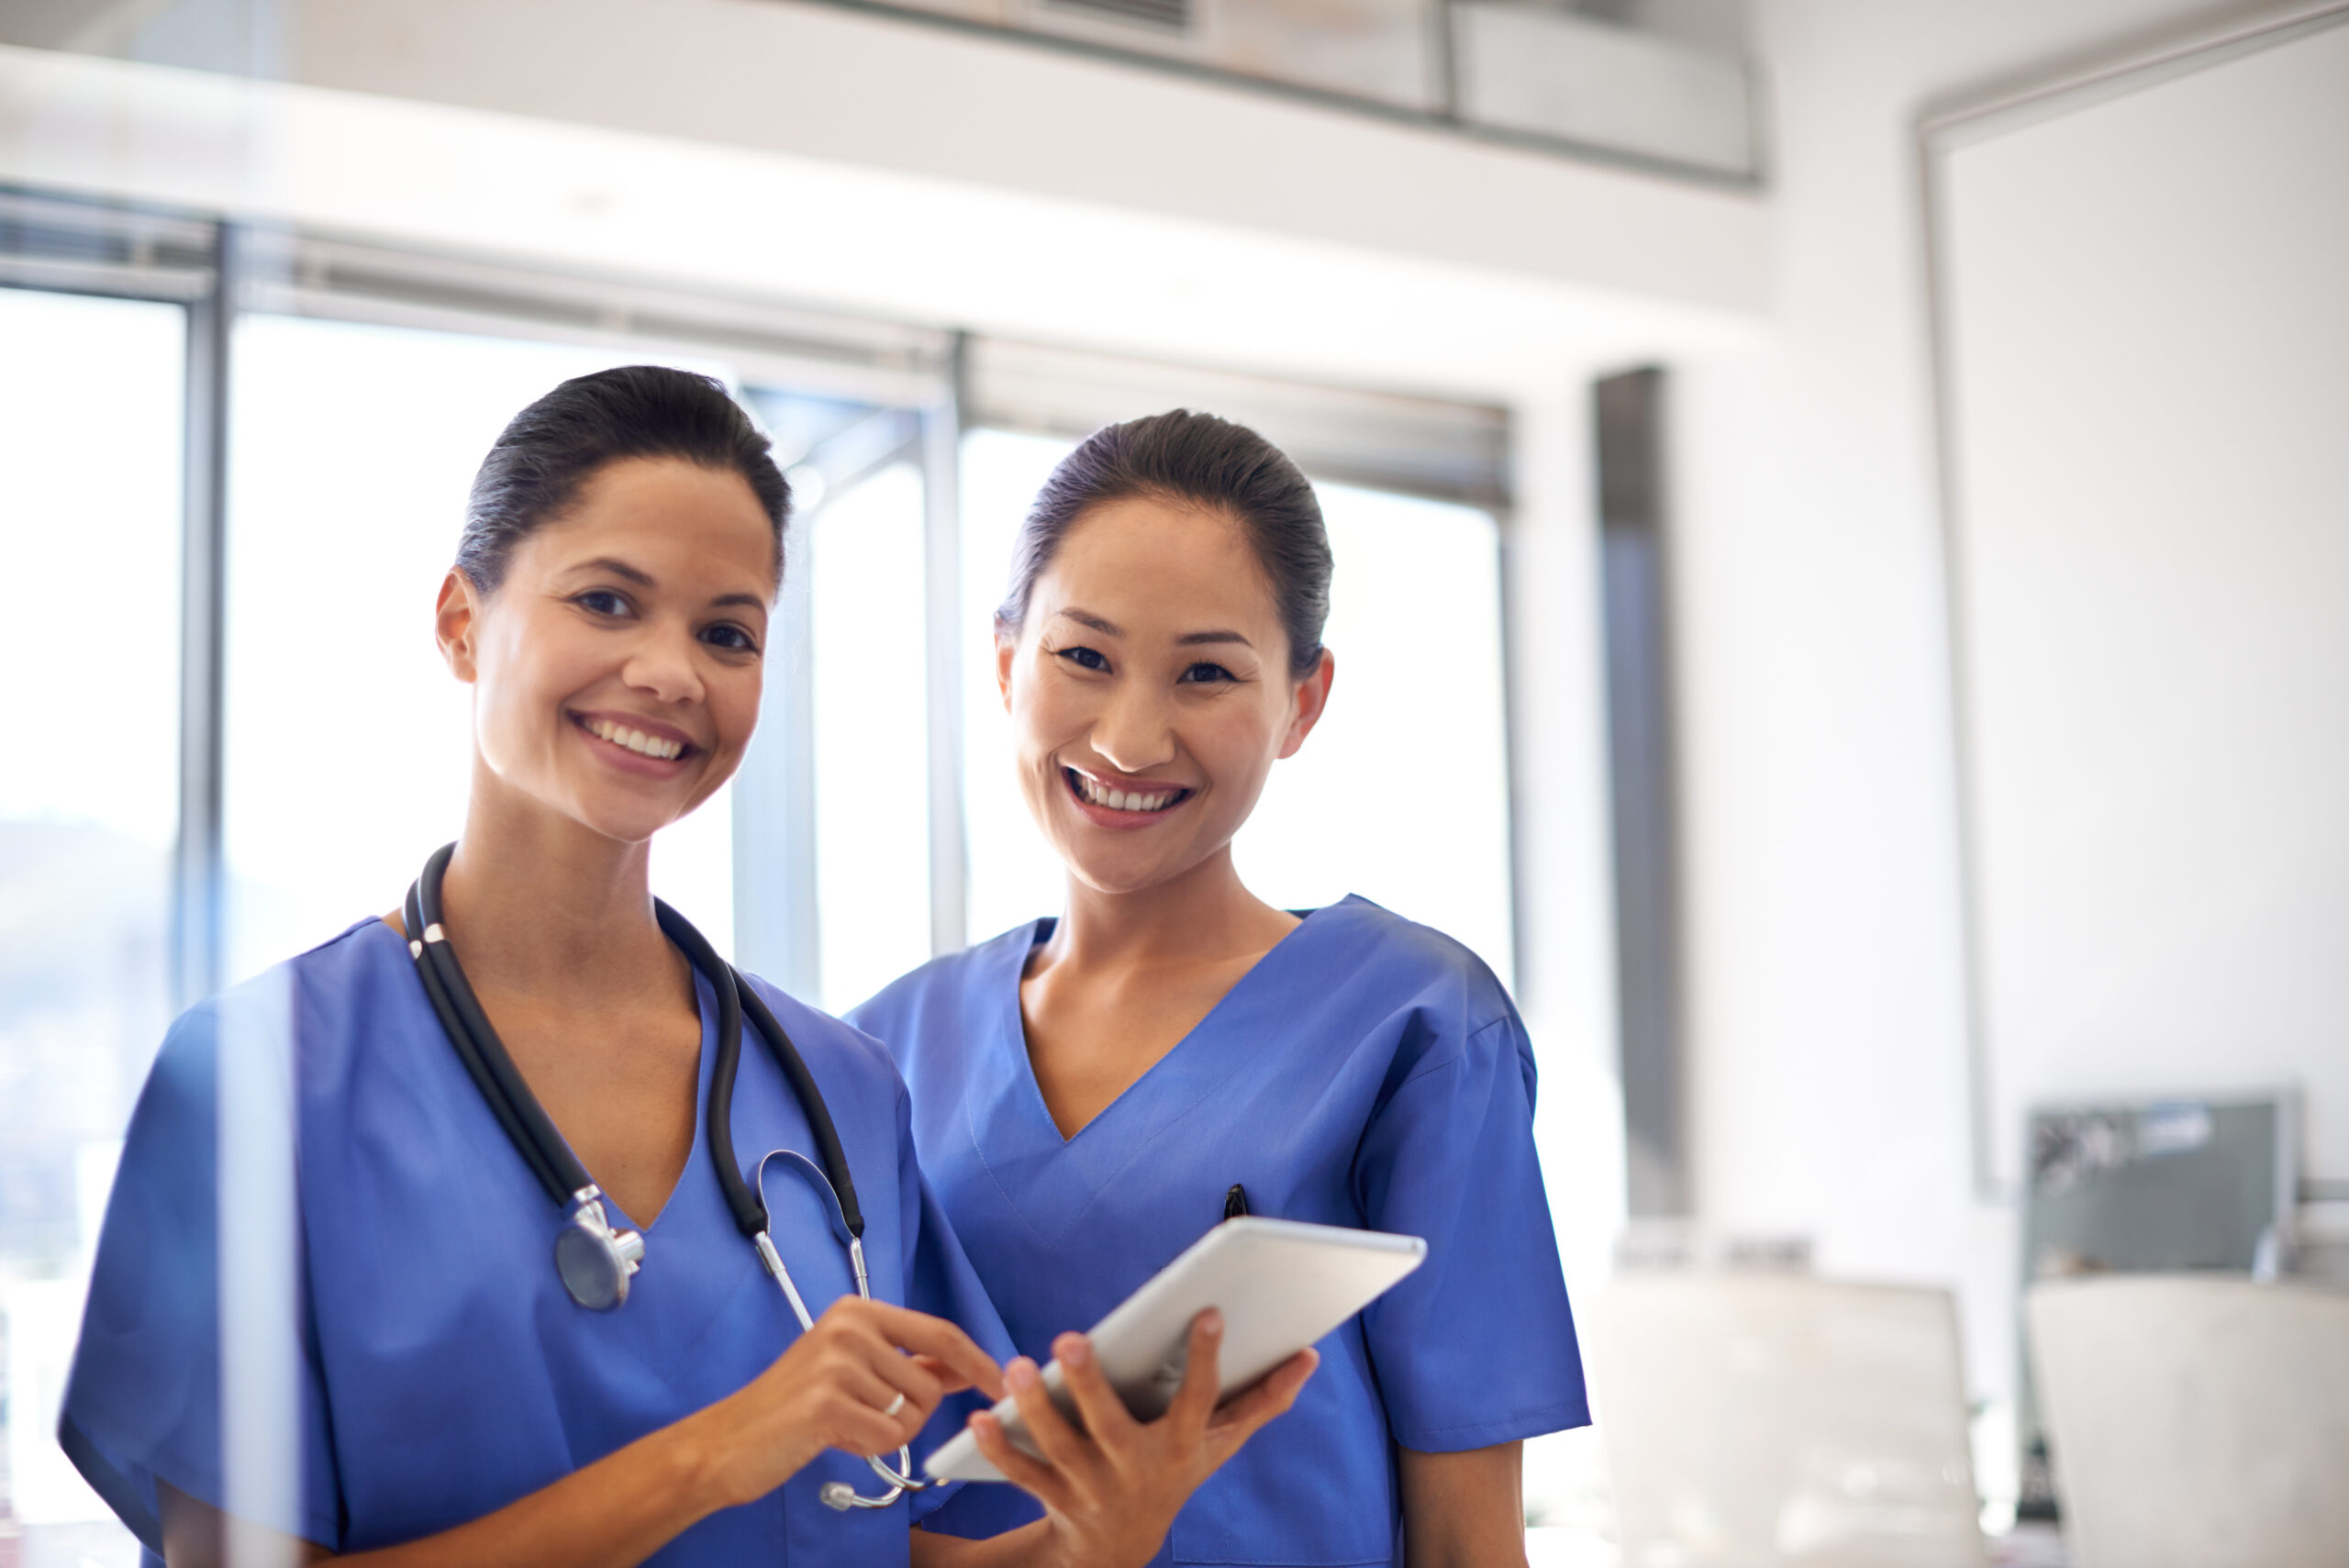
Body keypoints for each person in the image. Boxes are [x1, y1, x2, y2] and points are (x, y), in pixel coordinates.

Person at [61, 370, 1312, 1568]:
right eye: (607, 601)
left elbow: (885, 1543)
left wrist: (1098, 1539)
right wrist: (716, 1452)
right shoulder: (258, 1081)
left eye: (728, 631)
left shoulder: (839, 1089)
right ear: (461, 621)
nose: (669, 671)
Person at [851, 410, 1590, 1566]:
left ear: (1303, 699)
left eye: (1205, 672)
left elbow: (1467, 1539)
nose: (1132, 737)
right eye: (1082, 656)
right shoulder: (878, 1050)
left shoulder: (1412, 1023)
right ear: (1006, 663)